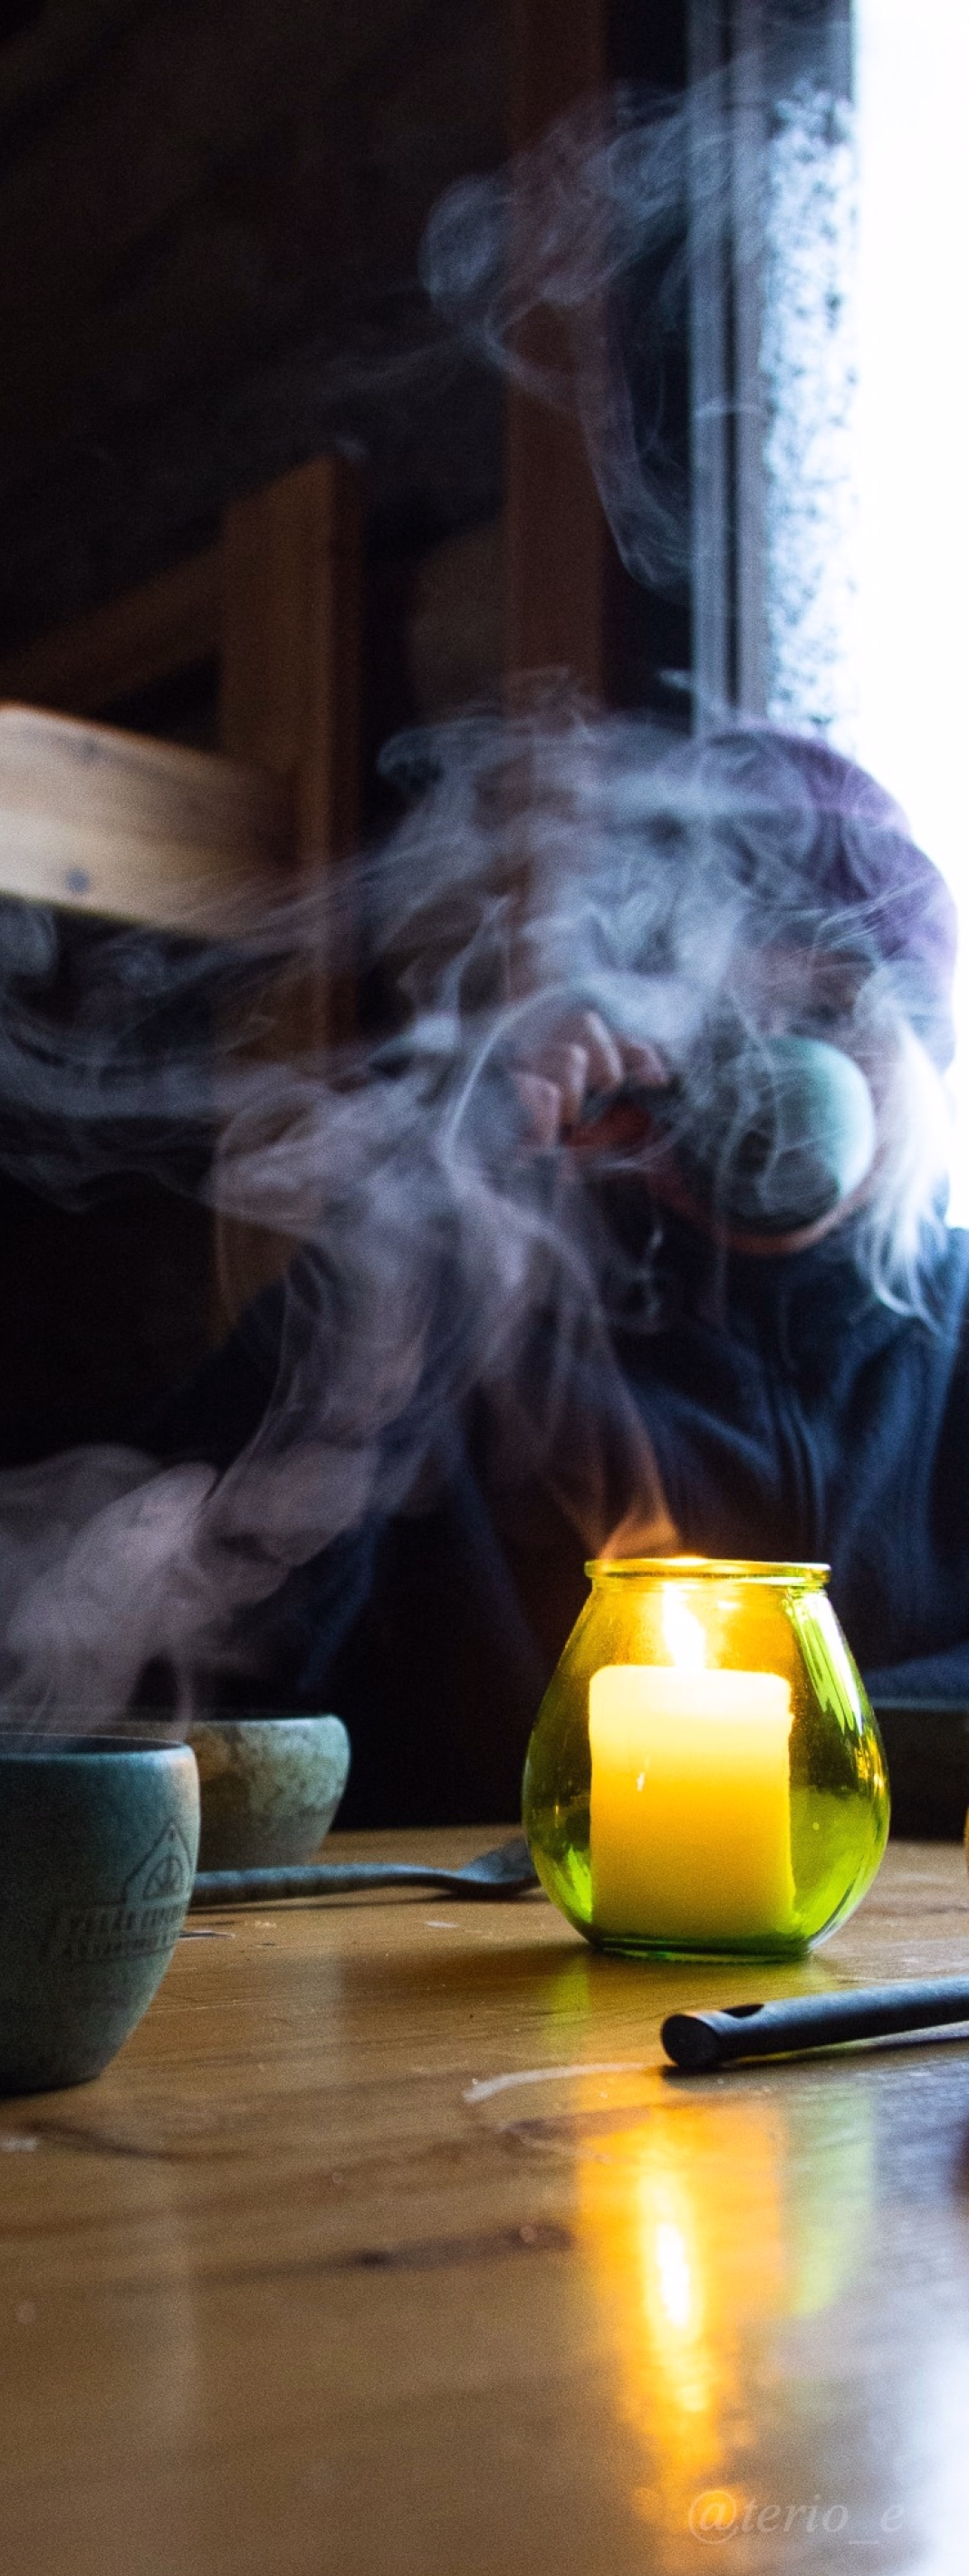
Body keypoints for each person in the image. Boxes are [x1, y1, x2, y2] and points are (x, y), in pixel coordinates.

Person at [148, 720, 969, 1824]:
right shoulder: (485, 1302)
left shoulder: (954, 1332)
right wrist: (427, 1227)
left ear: (919, 1051)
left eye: (827, 1014)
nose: (769, 1067)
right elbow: (209, 1672)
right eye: (718, 1020)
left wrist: (783, 1748)